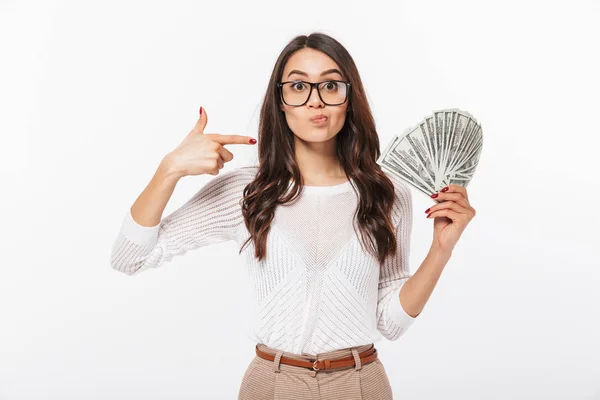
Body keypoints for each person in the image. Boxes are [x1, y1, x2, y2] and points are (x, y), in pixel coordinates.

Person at [109, 32, 476, 400]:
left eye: (330, 85)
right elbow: (129, 258)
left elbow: (390, 324)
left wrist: (441, 249)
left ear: (349, 98)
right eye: (299, 85)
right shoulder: (248, 192)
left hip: (360, 384)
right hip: (272, 383)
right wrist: (168, 170)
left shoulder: (387, 193)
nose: (316, 101)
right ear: (280, 101)